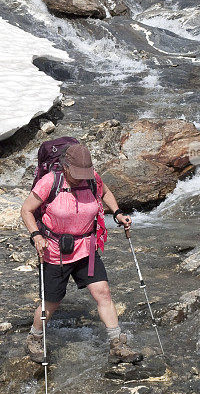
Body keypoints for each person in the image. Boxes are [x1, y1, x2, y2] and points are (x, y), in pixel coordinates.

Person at [21, 142, 142, 365]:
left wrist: (117, 213)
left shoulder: (92, 179)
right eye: (77, 174)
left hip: (87, 248)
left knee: (103, 293)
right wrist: (36, 235)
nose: (80, 178)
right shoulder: (50, 182)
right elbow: (26, 210)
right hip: (55, 250)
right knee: (52, 301)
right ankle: (34, 338)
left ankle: (117, 344)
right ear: (65, 167)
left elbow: (105, 192)